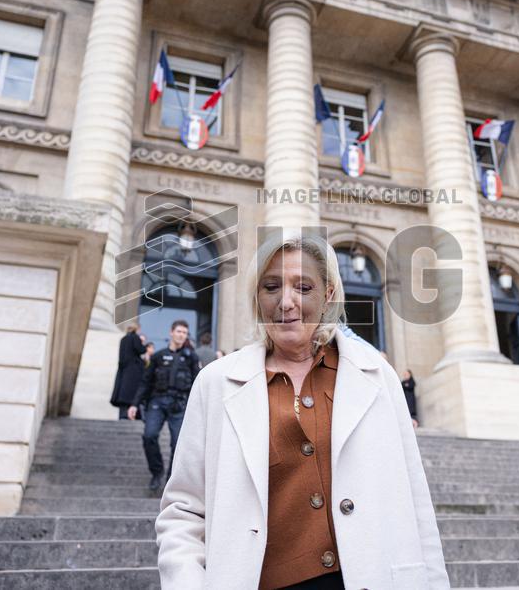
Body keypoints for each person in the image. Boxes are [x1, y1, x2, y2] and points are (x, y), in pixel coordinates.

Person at [156, 231, 448, 589]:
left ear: (328, 295)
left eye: (303, 287)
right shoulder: (215, 383)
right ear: (257, 296)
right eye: (271, 287)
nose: (286, 302)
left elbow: (417, 505)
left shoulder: (378, 375)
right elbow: (184, 511)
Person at [128, 320, 200, 491]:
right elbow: (146, 382)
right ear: (171, 332)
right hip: (157, 401)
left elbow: (198, 384)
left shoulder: (191, 357)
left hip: (180, 404)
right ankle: (157, 472)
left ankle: (170, 479)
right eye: (179, 331)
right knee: (149, 436)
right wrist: (134, 404)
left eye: (184, 333)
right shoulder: (158, 356)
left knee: (178, 443)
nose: (181, 335)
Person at [110, 324, 146, 418]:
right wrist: (142, 343)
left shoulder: (123, 339)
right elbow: (141, 350)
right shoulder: (135, 338)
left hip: (123, 371)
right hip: (133, 372)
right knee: (132, 394)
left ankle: (123, 416)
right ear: (137, 329)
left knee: (124, 395)